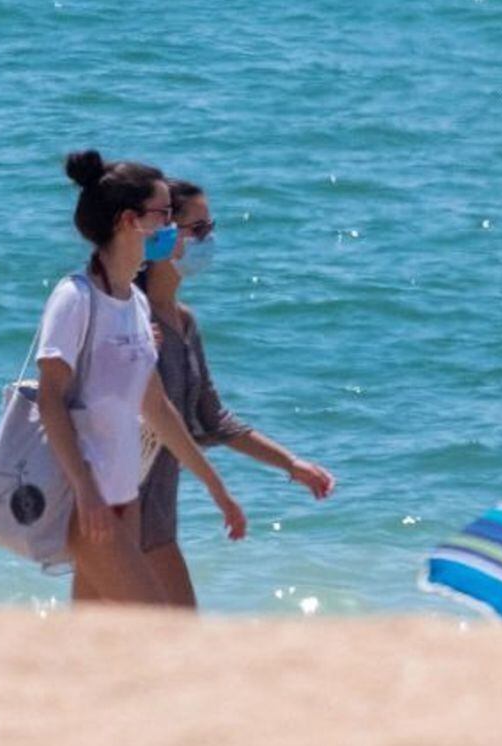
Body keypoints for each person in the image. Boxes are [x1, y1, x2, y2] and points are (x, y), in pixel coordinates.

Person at [40, 150, 246, 605]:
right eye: (164, 215)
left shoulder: (133, 304)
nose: (172, 227)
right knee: (152, 622)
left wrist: (217, 488)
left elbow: (156, 408)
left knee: (97, 631)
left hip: (123, 496)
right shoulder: (75, 298)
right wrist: (85, 490)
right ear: (129, 221)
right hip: (86, 502)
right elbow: (49, 399)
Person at [134, 178, 336, 608]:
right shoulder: (132, 319)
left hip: (157, 512)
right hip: (120, 505)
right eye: (198, 229)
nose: (208, 240)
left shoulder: (183, 323)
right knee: (172, 626)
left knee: (133, 628)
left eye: (210, 227)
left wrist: (291, 464)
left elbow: (212, 420)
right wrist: (218, 491)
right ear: (163, 234)